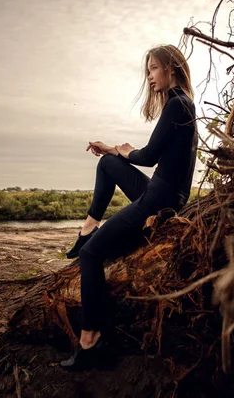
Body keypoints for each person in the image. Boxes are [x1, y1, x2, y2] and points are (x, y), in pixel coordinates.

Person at [60, 44, 198, 369]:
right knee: (107, 162)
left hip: (158, 201)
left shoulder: (177, 105)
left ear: (171, 68)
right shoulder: (183, 103)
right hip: (164, 193)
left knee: (90, 254)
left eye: (153, 68)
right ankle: (89, 225)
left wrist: (127, 149)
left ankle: (90, 341)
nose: (149, 76)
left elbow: (148, 156)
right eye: (148, 70)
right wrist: (113, 150)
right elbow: (154, 160)